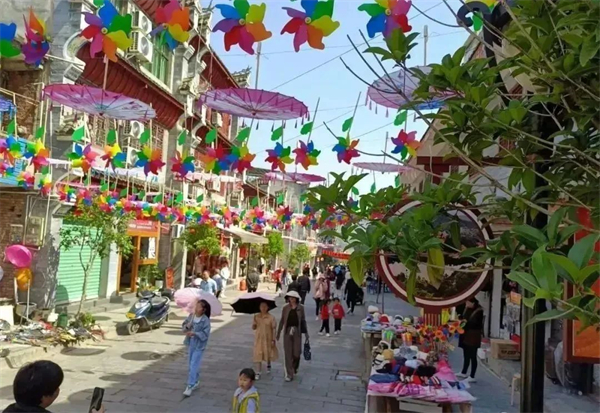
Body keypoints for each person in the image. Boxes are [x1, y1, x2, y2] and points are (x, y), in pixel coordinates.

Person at [277, 291, 309, 382]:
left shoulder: (301, 308)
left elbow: (303, 321)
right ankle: (289, 374)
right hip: (287, 332)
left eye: (293, 298)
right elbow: (282, 320)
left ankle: (295, 367)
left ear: (296, 299)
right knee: (288, 353)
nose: (291, 299)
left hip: (296, 332)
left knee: (296, 353)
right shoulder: (285, 308)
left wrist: (306, 334)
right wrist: (278, 333)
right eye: (290, 298)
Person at [182, 299, 212, 396]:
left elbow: (205, 334)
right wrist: (187, 326)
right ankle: (195, 381)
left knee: (193, 364)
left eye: (199, 307)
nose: (196, 308)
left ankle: (190, 385)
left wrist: (195, 333)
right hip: (191, 343)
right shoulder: (191, 316)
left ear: (203, 310)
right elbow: (184, 327)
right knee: (191, 363)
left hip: (199, 345)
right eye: (196, 306)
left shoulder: (205, 320)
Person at [457, 297, 484, 383]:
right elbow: (464, 318)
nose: (466, 304)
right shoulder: (467, 309)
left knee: (473, 355)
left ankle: (472, 376)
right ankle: (464, 372)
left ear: (473, 303)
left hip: (473, 335)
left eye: (467, 303)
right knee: (466, 354)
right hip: (466, 334)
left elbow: (474, 324)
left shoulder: (478, 311)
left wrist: (464, 324)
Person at [252, 301, 278, 380]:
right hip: (259, 338)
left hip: (268, 338)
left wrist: (273, 339)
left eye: (265, 306)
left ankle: (268, 364)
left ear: (268, 307)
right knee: (258, 354)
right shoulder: (256, 316)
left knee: (268, 352)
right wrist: (254, 324)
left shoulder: (271, 318)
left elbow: (274, 329)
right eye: (261, 306)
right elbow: (253, 328)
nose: (263, 308)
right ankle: (258, 372)